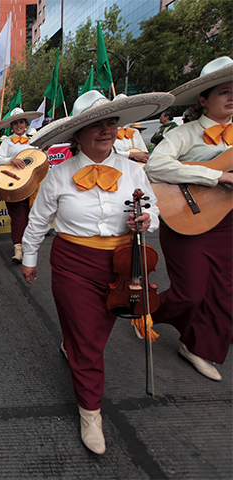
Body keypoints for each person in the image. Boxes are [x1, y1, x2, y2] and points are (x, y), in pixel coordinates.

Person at [23, 90, 172, 455]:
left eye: (111, 122)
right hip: (74, 261)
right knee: (89, 342)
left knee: (95, 332)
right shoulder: (58, 176)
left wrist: (147, 218)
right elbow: (39, 219)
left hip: (124, 262)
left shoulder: (135, 169)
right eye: (96, 124)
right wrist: (29, 256)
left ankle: (72, 345)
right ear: (78, 134)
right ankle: (91, 412)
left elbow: (154, 211)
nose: (106, 130)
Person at [145, 56, 233, 381]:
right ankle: (144, 310)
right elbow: (156, 165)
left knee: (225, 293)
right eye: (224, 91)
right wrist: (215, 177)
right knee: (190, 293)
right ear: (203, 99)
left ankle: (197, 347)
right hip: (188, 219)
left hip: (228, 223)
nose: (231, 97)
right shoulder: (185, 133)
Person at [0, 107, 42, 263]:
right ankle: (18, 249)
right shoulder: (7, 141)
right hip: (13, 184)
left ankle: (29, 248)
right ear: (12, 126)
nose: (19, 126)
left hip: (32, 184)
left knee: (32, 217)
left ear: (26, 124)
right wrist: (11, 160)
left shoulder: (34, 140)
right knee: (17, 217)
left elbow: (40, 160)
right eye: (15, 123)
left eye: (21, 122)